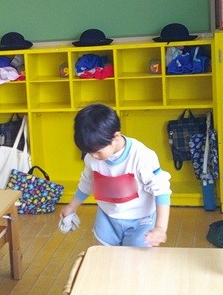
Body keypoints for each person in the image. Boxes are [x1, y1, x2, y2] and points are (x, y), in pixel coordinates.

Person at [58, 103, 171, 247]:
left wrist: (160, 228)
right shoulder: (92, 158)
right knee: (107, 256)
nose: (94, 156)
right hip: (107, 219)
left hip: (141, 221)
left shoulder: (142, 156)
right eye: (89, 152)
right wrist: (71, 207)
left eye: (98, 152)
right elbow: (86, 183)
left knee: (136, 258)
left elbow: (162, 191)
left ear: (115, 136)